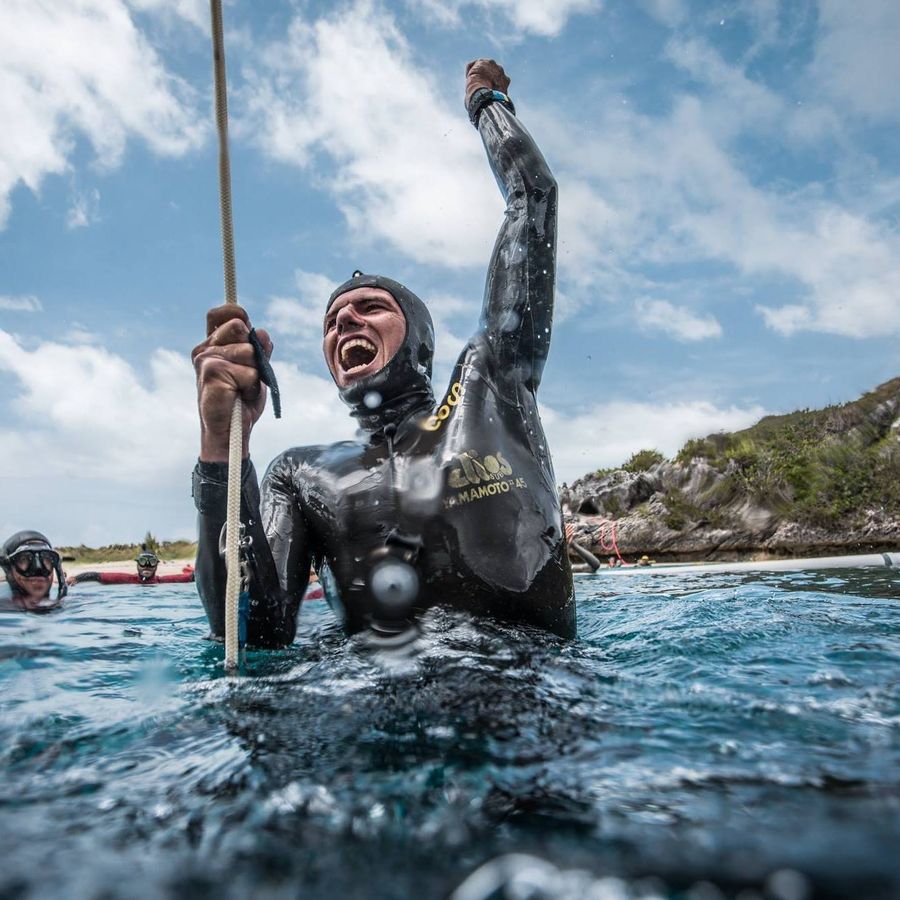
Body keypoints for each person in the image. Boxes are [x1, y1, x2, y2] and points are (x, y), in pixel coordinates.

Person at [191, 59, 575, 647]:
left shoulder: (491, 383)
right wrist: (221, 449)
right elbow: (252, 632)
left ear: (419, 339)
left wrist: (487, 105)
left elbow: (533, 197)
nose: (344, 318)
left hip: (520, 697)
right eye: (331, 321)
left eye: (371, 308)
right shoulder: (301, 475)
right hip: (364, 707)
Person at [0, 530, 67, 612]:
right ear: (9, 569)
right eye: (24, 559)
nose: (38, 568)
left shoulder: (69, 605)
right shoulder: (4, 610)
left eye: (46, 558)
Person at [68, 547, 195, 586]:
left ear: (156, 565)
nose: (146, 565)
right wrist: (77, 578)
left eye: (151, 562)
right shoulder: (127, 579)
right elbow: (97, 576)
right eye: (143, 561)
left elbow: (191, 577)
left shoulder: (162, 581)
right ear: (137, 564)